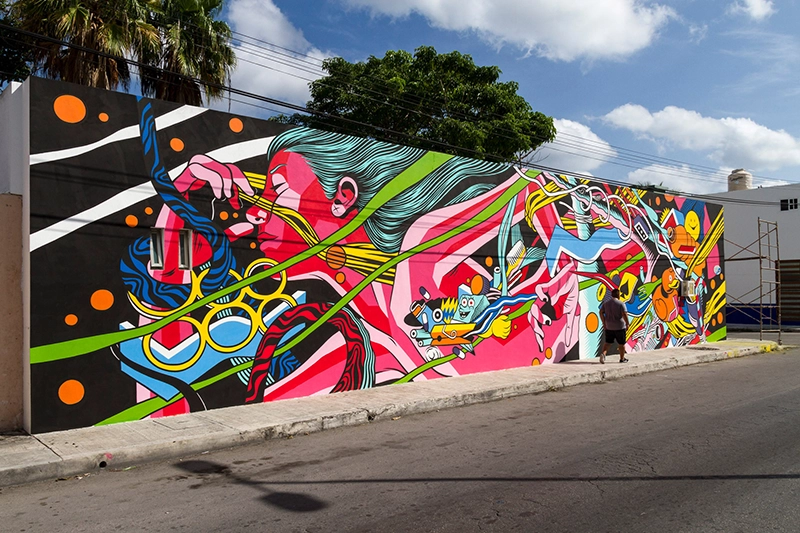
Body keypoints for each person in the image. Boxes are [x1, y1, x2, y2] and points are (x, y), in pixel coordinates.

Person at [599, 288, 630, 364]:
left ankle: (603, 354)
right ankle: (622, 359)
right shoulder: (621, 304)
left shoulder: (606, 303)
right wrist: (627, 323)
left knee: (608, 342)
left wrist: (604, 322)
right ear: (618, 295)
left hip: (609, 326)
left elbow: (601, 312)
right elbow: (624, 314)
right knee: (621, 344)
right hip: (619, 327)